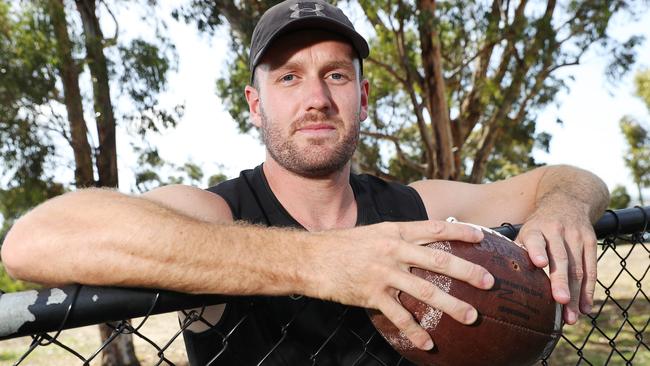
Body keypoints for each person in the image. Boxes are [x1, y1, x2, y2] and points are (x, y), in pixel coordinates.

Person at [1, 0, 609, 364]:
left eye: (336, 75)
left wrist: (562, 207)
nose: (316, 98)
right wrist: (316, 263)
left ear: (364, 97)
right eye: (288, 78)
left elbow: (566, 178)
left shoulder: (413, 205)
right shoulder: (217, 211)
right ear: (254, 105)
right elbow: (35, 242)